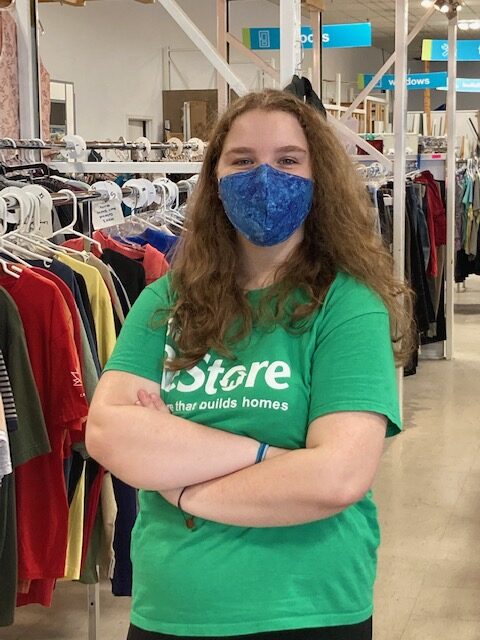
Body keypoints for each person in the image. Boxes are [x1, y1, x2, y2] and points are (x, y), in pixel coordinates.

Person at [86, 89, 413, 640]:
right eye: (242, 160)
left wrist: (184, 485)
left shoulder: (347, 305)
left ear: (318, 178)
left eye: (288, 160)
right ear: (215, 179)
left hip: (309, 608)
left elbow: (336, 477)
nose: (265, 177)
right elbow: (107, 432)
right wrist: (269, 458)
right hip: (171, 609)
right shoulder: (167, 300)